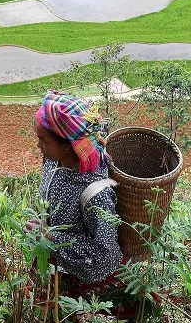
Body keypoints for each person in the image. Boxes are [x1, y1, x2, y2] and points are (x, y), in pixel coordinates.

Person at [26, 91, 123, 285]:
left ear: (69, 145)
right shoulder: (54, 161)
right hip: (55, 263)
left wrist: (52, 236)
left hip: (80, 282)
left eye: (44, 140)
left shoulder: (96, 194)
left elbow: (104, 252)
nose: (38, 145)